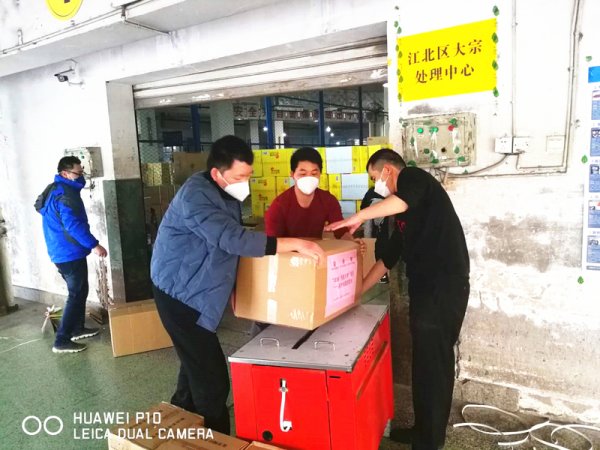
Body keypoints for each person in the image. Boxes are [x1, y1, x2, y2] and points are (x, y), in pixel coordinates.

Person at [150, 136, 325, 436]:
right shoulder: (195, 196)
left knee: (194, 363)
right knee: (213, 379)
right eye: (239, 177)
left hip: (199, 288)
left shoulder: (223, 191)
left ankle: (180, 419)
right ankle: (215, 438)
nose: (245, 183)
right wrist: (296, 243)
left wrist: (234, 289)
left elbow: (224, 249)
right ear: (217, 173)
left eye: (248, 176)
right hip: (179, 294)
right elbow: (232, 239)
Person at [326, 149, 470, 450]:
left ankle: (429, 443)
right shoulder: (407, 215)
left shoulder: (414, 178)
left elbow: (403, 198)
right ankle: (422, 432)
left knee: (434, 366)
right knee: (423, 364)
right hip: (425, 289)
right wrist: (356, 292)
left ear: (389, 171)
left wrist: (358, 217)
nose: (377, 186)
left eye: (375, 178)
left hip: (443, 288)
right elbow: (388, 258)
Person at [35, 156, 107, 354]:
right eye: (78, 173)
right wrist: (95, 245)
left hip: (62, 250)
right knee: (76, 294)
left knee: (80, 291)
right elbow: (73, 225)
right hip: (69, 252)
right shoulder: (66, 195)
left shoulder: (57, 188)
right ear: (65, 174)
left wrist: (79, 177)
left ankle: (77, 329)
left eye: (82, 171)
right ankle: (62, 340)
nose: (81, 176)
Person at [264, 146, 352, 240]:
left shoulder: (328, 200)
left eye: (314, 174)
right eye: (303, 174)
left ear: (320, 174)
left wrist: (353, 242)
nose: (309, 178)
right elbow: (271, 243)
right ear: (292, 174)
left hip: (316, 248)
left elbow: (341, 231)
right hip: (288, 249)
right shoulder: (279, 205)